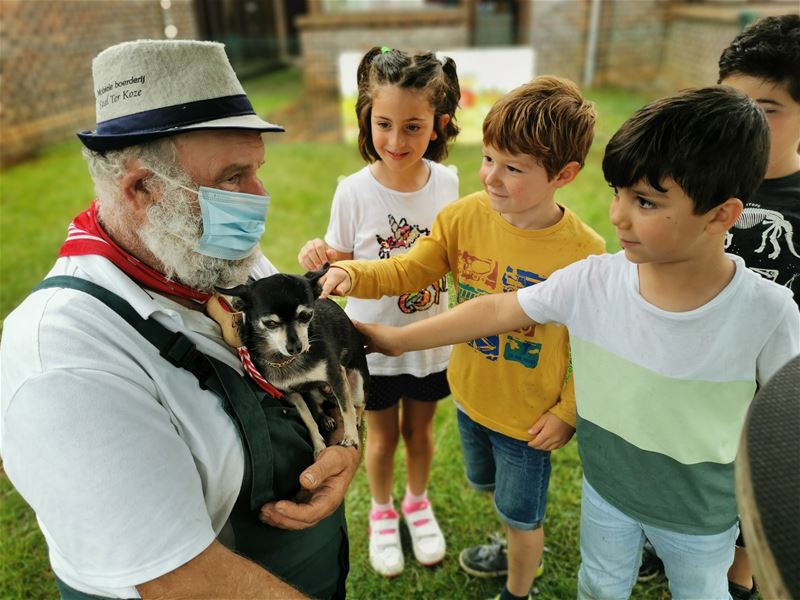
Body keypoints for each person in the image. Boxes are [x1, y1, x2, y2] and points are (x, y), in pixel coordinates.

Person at [347, 86, 800, 600]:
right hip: (605, 494)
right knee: (600, 586)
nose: (619, 217)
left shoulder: (769, 312)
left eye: (645, 202)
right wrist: (397, 340)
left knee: (701, 592)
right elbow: (495, 308)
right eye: (619, 194)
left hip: (699, 517)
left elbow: (787, 425)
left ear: (722, 214)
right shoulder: (594, 280)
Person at [0, 40, 358, 600]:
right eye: (234, 176)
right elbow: (181, 580)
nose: (260, 197)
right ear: (142, 188)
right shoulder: (62, 357)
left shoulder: (211, 257)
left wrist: (344, 447)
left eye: (257, 170)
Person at [320, 75, 605, 600]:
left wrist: (568, 409)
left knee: (523, 517)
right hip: (470, 398)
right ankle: (505, 538)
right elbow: (408, 271)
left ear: (564, 174)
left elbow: (595, 347)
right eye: (490, 158)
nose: (492, 178)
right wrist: (353, 275)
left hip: (528, 420)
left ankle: (519, 591)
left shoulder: (584, 253)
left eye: (513, 168)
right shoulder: (461, 218)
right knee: (492, 491)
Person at [637, 15, 800, 598]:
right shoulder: (691, 180)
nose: (746, 121)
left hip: (762, 392)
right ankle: (659, 540)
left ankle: (740, 578)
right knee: (673, 468)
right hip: (684, 374)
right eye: (733, 102)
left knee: (745, 490)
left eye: (769, 108)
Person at [297, 46, 461, 578]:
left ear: (438, 125)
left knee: (421, 431)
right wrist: (319, 257)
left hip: (431, 338)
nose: (396, 141)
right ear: (368, 118)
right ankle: (383, 511)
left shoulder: (449, 184)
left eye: (413, 127)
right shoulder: (353, 191)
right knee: (383, 436)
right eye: (384, 124)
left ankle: (417, 501)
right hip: (373, 345)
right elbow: (340, 270)